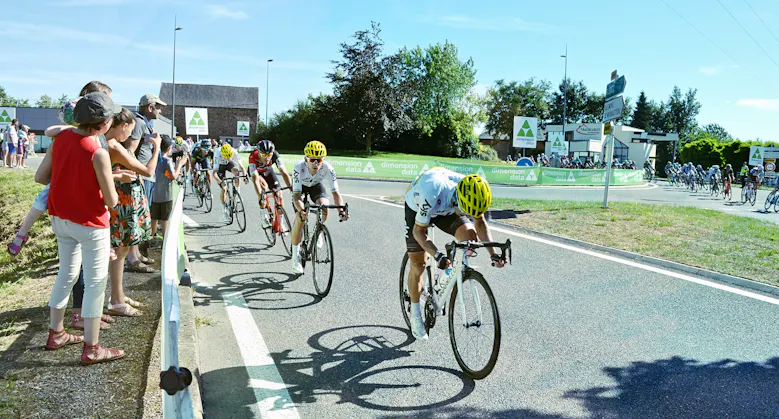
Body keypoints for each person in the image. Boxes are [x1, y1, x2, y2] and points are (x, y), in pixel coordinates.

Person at [35, 92, 124, 365]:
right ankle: (92, 347)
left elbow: (40, 176)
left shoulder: (59, 140)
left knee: (66, 274)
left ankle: (57, 333)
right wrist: (111, 179)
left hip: (60, 220)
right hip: (91, 224)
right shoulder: (98, 151)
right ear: (104, 123)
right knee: (96, 283)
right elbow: (111, 200)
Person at [404, 167, 507, 340]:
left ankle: (449, 273)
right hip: (420, 207)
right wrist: (437, 255)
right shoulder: (433, 190)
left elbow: (479, 224)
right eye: (466, 211)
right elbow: (418, 232)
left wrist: (493, 253)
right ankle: (415, 315)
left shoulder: (473, 192)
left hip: (447, 210)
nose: (469, 215)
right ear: (458, 198)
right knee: (418, 264)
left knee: (469, 236)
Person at [290, 141, 348, 274]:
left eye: (319, 160)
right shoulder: (298, 167)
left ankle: (319, 229)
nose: (316, 163)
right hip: (300, 189)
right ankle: (295, 258)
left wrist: (341, 210)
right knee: (300, 218)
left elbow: (335, 193)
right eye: (312, 160)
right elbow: (296, 196)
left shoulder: (328, 168)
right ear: (306, 159)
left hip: (316, 186)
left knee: (325, 206)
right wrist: (302, 210)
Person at [151, 135, 187, 240]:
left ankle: (151, 238)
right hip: (166, 195)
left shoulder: (155, 158)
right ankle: (166, 241)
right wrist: (179, 164)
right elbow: (173, 176)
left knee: (154, 217)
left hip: (155, 194)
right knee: (165, 219)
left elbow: (165, 173)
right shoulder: (167, 161)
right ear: (169, 148)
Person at [249, 140, 292, 226]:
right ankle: (263, 213)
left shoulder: (275, 155)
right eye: (264, 155)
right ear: (259, 153)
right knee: (263, 189)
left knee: (279, 194)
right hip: (257, 174)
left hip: (268, 172)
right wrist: (260, 196)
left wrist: (291, 189)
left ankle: (280, 222)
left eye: (269, 155)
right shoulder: (253, 156)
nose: (267, 158)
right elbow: (255, 179)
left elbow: (284, 172)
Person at [213, 143, 247, 220]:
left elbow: (242, 167)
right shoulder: (217, 153)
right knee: (224, 188)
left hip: (229, 164)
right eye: (226, 157)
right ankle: (223, 209)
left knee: (237, 173)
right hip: (220, 166)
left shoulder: (234, 151)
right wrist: (220, 181)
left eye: (229, 156)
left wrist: (245, 176)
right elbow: (214, 173)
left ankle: (238, 192)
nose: (228, 158)